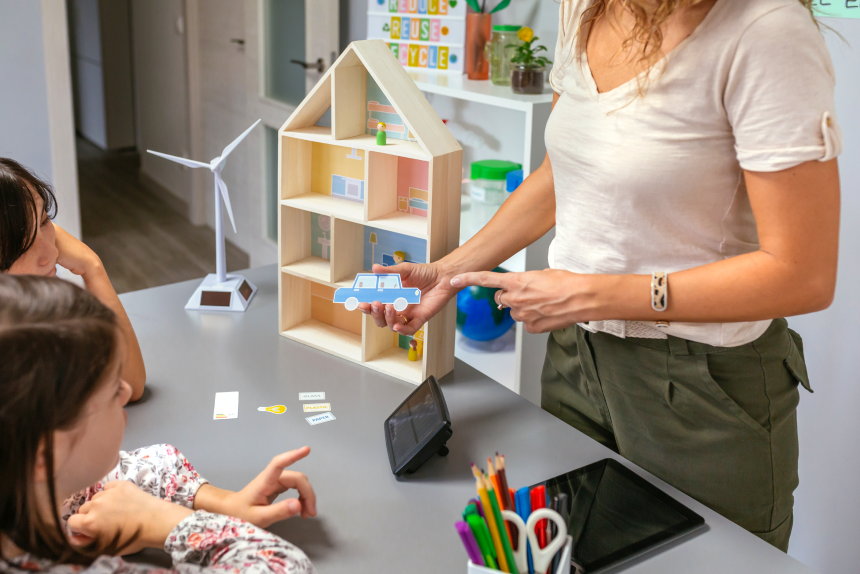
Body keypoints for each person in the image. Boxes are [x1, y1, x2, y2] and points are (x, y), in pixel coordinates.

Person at [359, 0, 841, 552]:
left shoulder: (765, 32)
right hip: (574, 359)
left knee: (709, 561)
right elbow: (558, 175)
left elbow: (802, 274)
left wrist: (589, 293)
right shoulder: (584, 9)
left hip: (704, 389)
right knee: (570, 554)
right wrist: (448, 271)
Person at [0, 275, 317, 573]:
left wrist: (222, 502)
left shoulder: (27, 490)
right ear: (46, 453)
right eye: (112, 389)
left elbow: (137, 468)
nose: (127, 391)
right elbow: (280, 565)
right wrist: (163, 521)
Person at [0, 158, 146, 401]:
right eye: (20, 243)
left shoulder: (39, 313)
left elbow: (128, 383)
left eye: (45, 222)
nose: (52, 253)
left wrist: (92, 266)